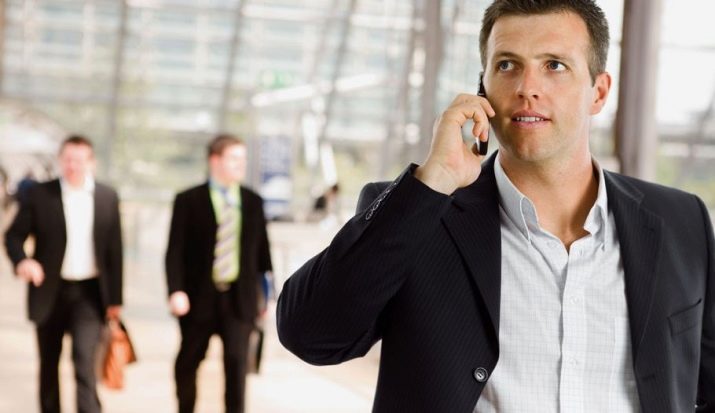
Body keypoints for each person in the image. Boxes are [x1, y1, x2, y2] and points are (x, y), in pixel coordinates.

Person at [276, 1, 715, 412]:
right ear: (482, 88)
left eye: (554, 66)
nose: (527, 89)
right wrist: (434, 181)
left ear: (598, 92)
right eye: (507, 65)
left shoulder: (681, 221)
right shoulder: (419, 212)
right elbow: (311, 334)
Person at [4, 135, 123, 413]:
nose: (72, 166)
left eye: (79, 160)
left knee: (84, 362)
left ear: (91, 162)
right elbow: (13, 236)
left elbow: (115, 252)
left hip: (90, 295)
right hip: (50, 292)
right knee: (49, 364)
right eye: (68, 159)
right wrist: (23, 262)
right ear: (60, 160)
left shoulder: (107, 197)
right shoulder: (40, 195)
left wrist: (115, 300)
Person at [165, 134, 273, 413]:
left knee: (237, 367)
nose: (241, 164)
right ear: (214, 160)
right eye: (234, 158)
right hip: (198, 298)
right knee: (187, 363)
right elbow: (174, 251)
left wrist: (265, 297)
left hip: (239, 301)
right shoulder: (188, 200)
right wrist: (176, 290)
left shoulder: (253, 202)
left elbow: (263, 255)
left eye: (243, 159)